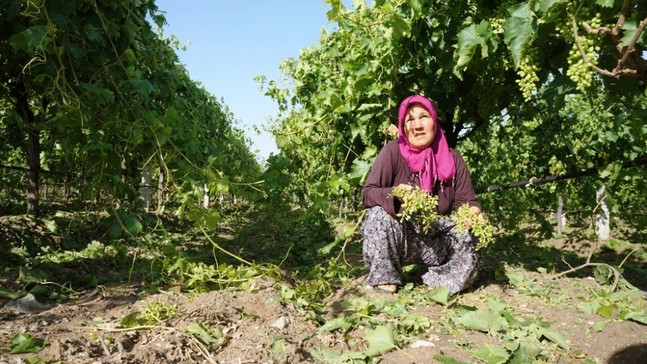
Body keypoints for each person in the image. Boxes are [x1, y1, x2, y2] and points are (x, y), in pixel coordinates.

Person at [361, 94, 484, 295]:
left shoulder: (453, 158)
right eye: (410, 119)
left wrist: (473, 211)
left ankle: (441, 280)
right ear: (403, 126)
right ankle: (385, 278)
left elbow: (467, 200)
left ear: (434, 121)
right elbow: (367, 194)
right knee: (378, 215)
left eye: (423, 117)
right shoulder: (392, 152)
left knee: (473, 233)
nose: (417, 125)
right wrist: (395, 193)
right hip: (402, 239)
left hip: (436, 241)